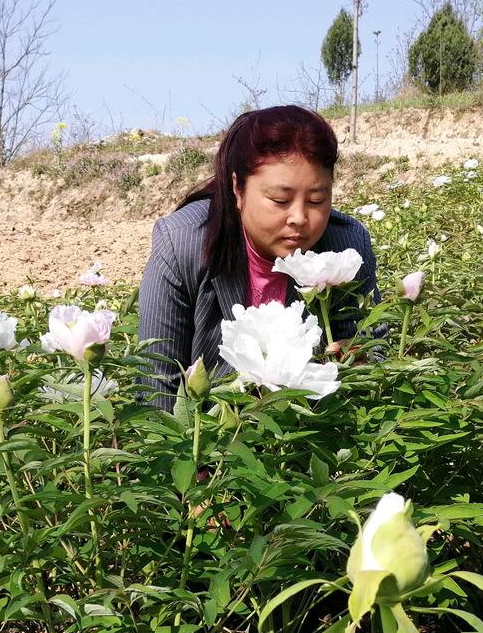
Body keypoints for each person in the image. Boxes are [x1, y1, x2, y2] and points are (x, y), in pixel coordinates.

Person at [137, 105, 380, 408]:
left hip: (309, 436)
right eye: (280, 200)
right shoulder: (183, 243)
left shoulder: (345, 245)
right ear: (237, 187)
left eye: (317, 199)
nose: (299, 218)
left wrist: (360, 361)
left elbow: (376, 351)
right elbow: (154, 387)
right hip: (209, 442)